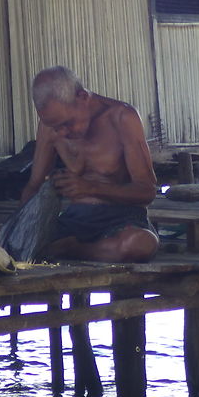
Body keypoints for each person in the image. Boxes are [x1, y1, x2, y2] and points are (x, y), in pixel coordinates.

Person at [20, 66, 159, 262]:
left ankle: (74, 251)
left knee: (140, 244)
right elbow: (34, 185)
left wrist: (91, 188)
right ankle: (62, 247)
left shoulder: (122, 118)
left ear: (83, 98)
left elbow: (147, 192)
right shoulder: (50, 126)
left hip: (121, 219)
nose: (61, 133)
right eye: (54, 127)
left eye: (66, 124)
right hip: (74, 220)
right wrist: (23, 226)